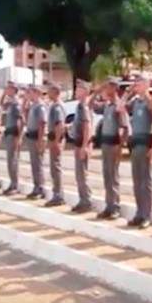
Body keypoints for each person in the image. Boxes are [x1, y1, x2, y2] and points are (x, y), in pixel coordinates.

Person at [123, 74, 152, 229]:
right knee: (137, 182)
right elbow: (120, 107)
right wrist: (128, 92)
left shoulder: (149, 103)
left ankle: (146, 215)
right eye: (135, 83)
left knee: (146, 182)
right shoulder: (135, 102)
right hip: (135, 144)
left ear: (146, 85)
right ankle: (139, 213)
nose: (136, 86)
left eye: (139, 83)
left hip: (145, 144)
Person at [90, 77, 129, 220]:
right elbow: (90, 104)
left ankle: (115, 207)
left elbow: (124, 128)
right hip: (105, 144)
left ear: (114, 89)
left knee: (113, 176)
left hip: (113, 144)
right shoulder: (107, 105)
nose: (106, 90)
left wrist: (120, 146)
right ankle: (109, 205)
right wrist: (96, 92)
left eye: (108, 87)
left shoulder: (119, 106)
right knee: (107, 176)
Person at [70, 79, 93, 213]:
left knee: (82, 174)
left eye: (79, 89)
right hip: (78, 143)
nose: (76, 91)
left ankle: (86, 201)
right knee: (79, 174)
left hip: (82, 145)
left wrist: (84, 146)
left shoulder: (84, 107)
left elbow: (87, 127)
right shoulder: (79, 106)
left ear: (85, 92)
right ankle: (82, 199)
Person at [45, 82, 67, 207]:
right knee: (54, 168)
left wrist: (57, 141)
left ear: (56, 92)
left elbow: (59, 125)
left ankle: (58, 195)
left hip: (56, 139)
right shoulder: (54, 106)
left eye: (50, 91)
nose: (48, 94)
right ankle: (57, 193)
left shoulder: (57, 107)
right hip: (53, 139)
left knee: (56, 168)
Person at [25, 84, 48, 200]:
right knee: (34, 164)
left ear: (37, 93)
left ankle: (40, 188)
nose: (28, 94)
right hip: (31, 137)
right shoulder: (33, 106)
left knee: (38, 164)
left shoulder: (40, 107)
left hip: (37, 138)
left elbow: (42, 124)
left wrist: (40, 140)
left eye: (31, 92)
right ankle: (36, 186)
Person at [2, 81, 24, 196]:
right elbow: (1, 104)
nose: (7, 91)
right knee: (10, 161)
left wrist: (19, 137)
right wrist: (3, 93)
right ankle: (12, 183)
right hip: (9, 134)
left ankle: (15, 185)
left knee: (13, 161)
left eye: (9, 89)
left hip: (14, 135)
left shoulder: (16, 104)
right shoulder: (10, 103)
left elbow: (21, 121)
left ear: (14, 90)